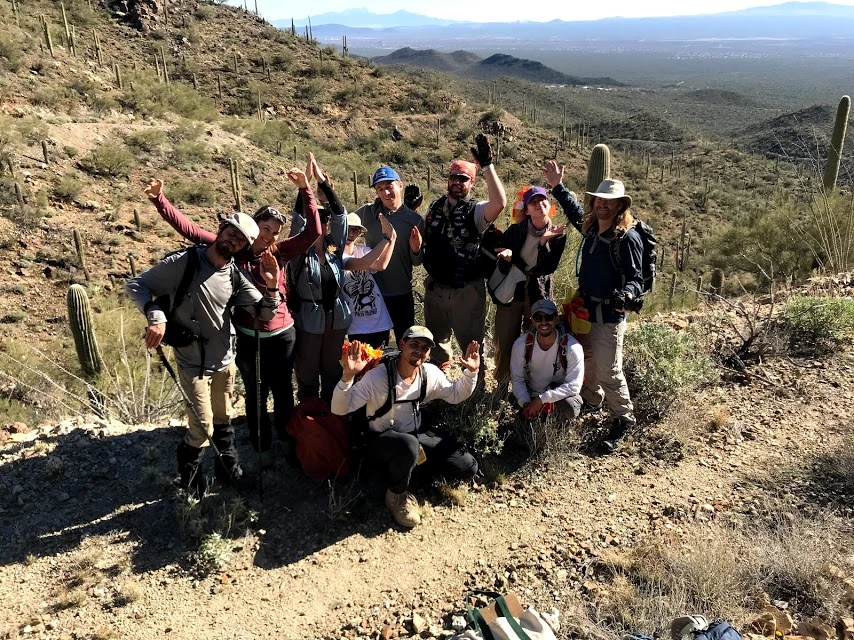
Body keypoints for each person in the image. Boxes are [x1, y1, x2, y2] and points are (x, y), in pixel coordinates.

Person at [144, 168, 320, 468]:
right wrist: (160, 199)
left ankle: (288, 442)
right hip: (248, 336)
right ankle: (261, 447)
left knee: (283, 391)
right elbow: (187, 229)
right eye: (266, 229)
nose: (270, 237)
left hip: (282, 334)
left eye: (275, 232)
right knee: (255, 393)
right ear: (254, 226)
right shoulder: (232, 249)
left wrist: (306, 189)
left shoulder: (279, 253)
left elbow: (313, 233)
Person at [126, 213, 280, 491]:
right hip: (192, 360)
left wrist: (272, 285)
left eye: (240, 240)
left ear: (244, 247)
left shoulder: (234, 274)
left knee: (223, 420)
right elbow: (137, 285)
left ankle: (229, 472)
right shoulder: (185, 262)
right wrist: (155, 314)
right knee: (202, 428)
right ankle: (192, 485)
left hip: (225, 358)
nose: (233, 240)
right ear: (221, 230)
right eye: (231, 232)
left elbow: (264, 312)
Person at [331, 327, 480, 528]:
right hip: (381, 441)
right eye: (414, 345)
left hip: (415, 434)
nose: (419, 351)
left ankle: (410, 474)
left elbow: (455, 394)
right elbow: (340, 409)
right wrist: (347, 377)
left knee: (467, 466)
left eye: (425, 347)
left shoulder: (429, 374)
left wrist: (471, 372)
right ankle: (397, 495)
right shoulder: (378, 378)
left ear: (429, 354)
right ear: (402, 345)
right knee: (408, 445)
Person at [545, 161, 643, 451]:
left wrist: (625, 293)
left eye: (609, 201)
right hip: (584, 309)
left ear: (619, 206)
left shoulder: (626, 238)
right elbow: (576, 213)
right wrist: (558, 187)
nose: (603, 205)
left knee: (609, 370)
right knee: (588, 361)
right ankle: (593, 402)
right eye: (599, 199)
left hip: (609, 315)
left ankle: (623, 419)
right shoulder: (591, 228)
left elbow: (636, 277)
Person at [289, 156, 396, 403]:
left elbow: (340, 216)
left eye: (324, 219)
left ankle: (333, 418)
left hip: (336, 319)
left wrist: (323, 185)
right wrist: (304, 189)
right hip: (309, 318)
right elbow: (298, 220)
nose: (323, 222)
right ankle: (309, 420)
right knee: (307, 372)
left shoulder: (333, 249)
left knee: (332, 371)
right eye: (317, 217)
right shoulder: (298, 251)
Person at [422, 134, 507, 373]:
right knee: (437, 342)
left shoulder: (476, 211)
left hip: (466, 290)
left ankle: (474, 389)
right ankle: (439, 385)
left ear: (472, 183)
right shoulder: (435, 207)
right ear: (447, 180)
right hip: (436, 287)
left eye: (464, 178)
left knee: (470, 346)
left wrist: (487, 165)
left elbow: (499, 202)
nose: (457, 182)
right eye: (454, 177)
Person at [492, 186, 567, 394]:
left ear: (549, 206)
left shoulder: (558, 234)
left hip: (538, 291)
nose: (539, 205)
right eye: (533, 202)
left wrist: (544, 242)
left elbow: (548, 267)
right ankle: (502, 384)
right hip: (512, 290)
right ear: (526, 210)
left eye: (543, 200)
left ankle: (530, 387)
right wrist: (507, 258)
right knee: (505, 337)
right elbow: (500, 255)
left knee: (534, 338)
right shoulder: (516, 231)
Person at [353, 166, 425, 344]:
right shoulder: (368, 213)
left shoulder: (414, 220)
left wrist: (416, 249)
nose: (386, 192)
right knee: (374, 349)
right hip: (372, 293)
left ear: (400, 186)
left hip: (401, 292)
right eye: (380, 188)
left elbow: (417, 261)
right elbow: (344, 226)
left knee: (405, 344)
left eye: (389, 186)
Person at [509, 299, 584, 420]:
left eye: (548, 317)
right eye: (538, 318)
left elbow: (574, 385)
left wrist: (542, 399)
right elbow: (517, 379)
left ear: (557, 319)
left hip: (559, 397)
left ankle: (559, 424)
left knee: (568, 407)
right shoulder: (521, 345)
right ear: (532, 321)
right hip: (532, 396)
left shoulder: (572, 347)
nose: (543, 322)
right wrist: (526, 403)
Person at [342, 211, 396, 348]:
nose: (351, 234)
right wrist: (386, 239)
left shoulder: (363, 250)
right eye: (347, 229)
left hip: (379, 320)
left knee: (379, 363)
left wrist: (392, 239)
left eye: (355, 230)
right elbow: (363, 263)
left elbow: (381, 265)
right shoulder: (336, 255)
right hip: (356, 325)